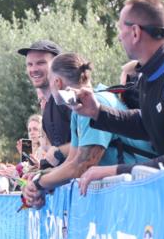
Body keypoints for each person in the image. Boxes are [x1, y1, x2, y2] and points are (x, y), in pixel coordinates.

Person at [71, 0, 164, 193]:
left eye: (121, 29)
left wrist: (114, 171)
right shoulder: (149, 73)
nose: (119, 37)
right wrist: (97, 112)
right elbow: (147, 123)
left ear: (135, 32)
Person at [22, 52, 156, 208]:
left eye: (50, 81)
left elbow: (80, 167)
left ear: (57, 82)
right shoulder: (79, 110)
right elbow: (71, 161)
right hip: (133, 189)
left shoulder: (95, 103)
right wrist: (40, 177)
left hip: (143, 190)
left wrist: (39, 183)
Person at [17, 40, 70, 168]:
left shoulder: (69, 98)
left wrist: (41, 180)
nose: (33, 69)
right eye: (29, 64)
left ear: (57, 65)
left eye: (41, 63)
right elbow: (58, 161)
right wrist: (39, 170)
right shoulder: (47, 110)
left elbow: (84, 148)